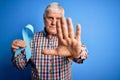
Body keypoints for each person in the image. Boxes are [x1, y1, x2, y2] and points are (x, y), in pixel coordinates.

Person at [11, 2, 88, 80]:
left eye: (58, 18)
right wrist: (16, 53)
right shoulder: (31, 39)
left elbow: (83, 55)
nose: (54, 22)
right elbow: (20, 66)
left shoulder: (69, 39)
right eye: (50, 18)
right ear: (44, 18)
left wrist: (77, 54)